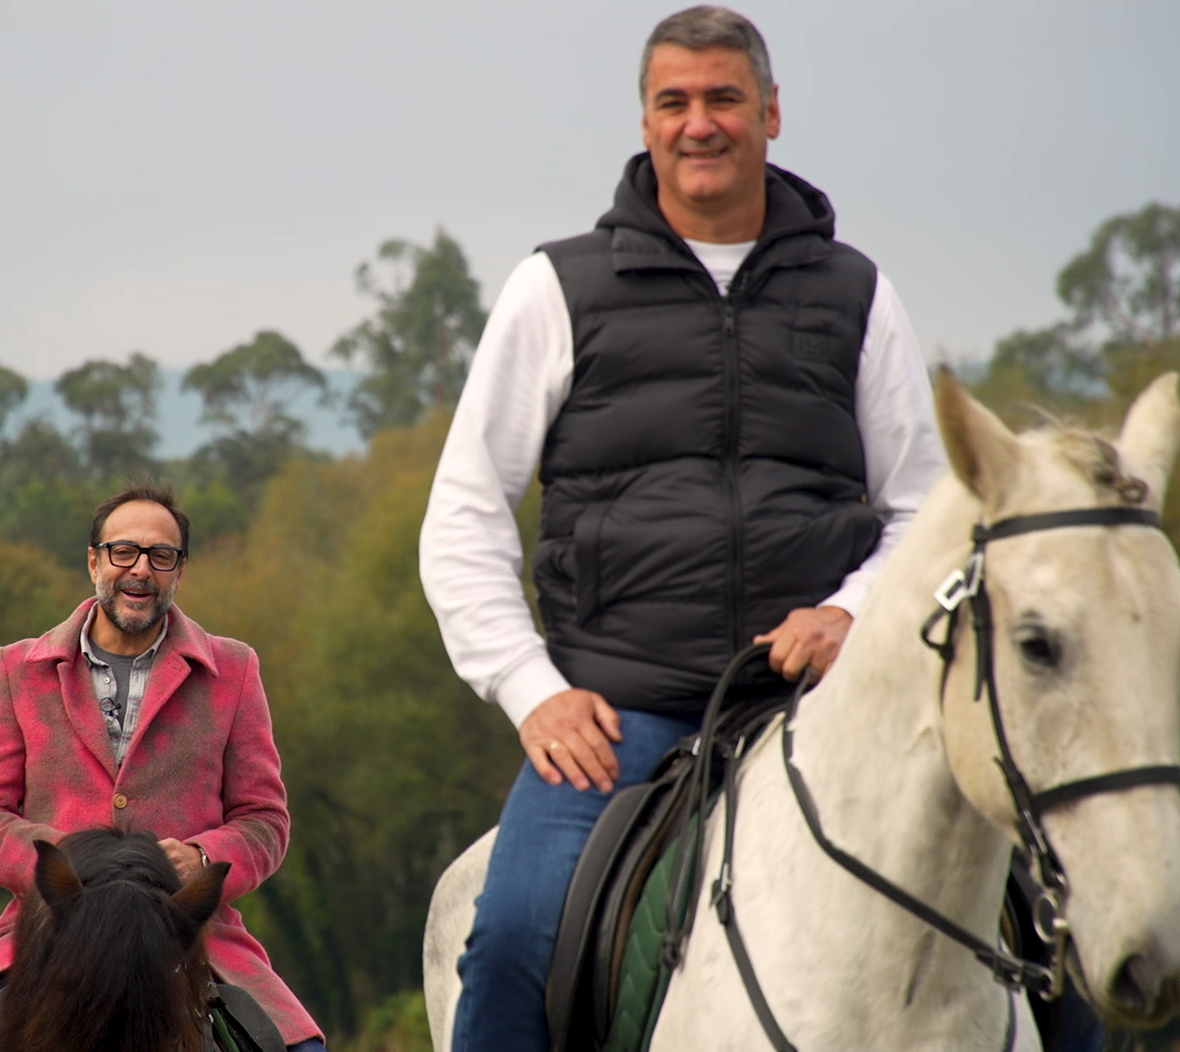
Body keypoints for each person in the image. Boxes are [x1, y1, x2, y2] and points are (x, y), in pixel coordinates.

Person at [418, 8, 949, 1052]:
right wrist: (532, 690)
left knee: (1045, 929)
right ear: (646, 121)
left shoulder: (857, 294)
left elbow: (927, 511)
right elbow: (463, 516)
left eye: (723, 98)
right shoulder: (555, 288)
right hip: (621, 717)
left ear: (772, 112)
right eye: (675, 101)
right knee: (513, 941)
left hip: (825, 705)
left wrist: (853, 612)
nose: (699, 123)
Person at [0, 481, 325, 1052]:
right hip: (53, 932)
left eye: (161, 556)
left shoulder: (234, 670)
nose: (141, 569)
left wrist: (203, 858)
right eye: (123, 551)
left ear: (179, 571)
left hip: (189, 936)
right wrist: (68, 862)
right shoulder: (18, 669)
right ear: (94, 561)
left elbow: (265, 820)